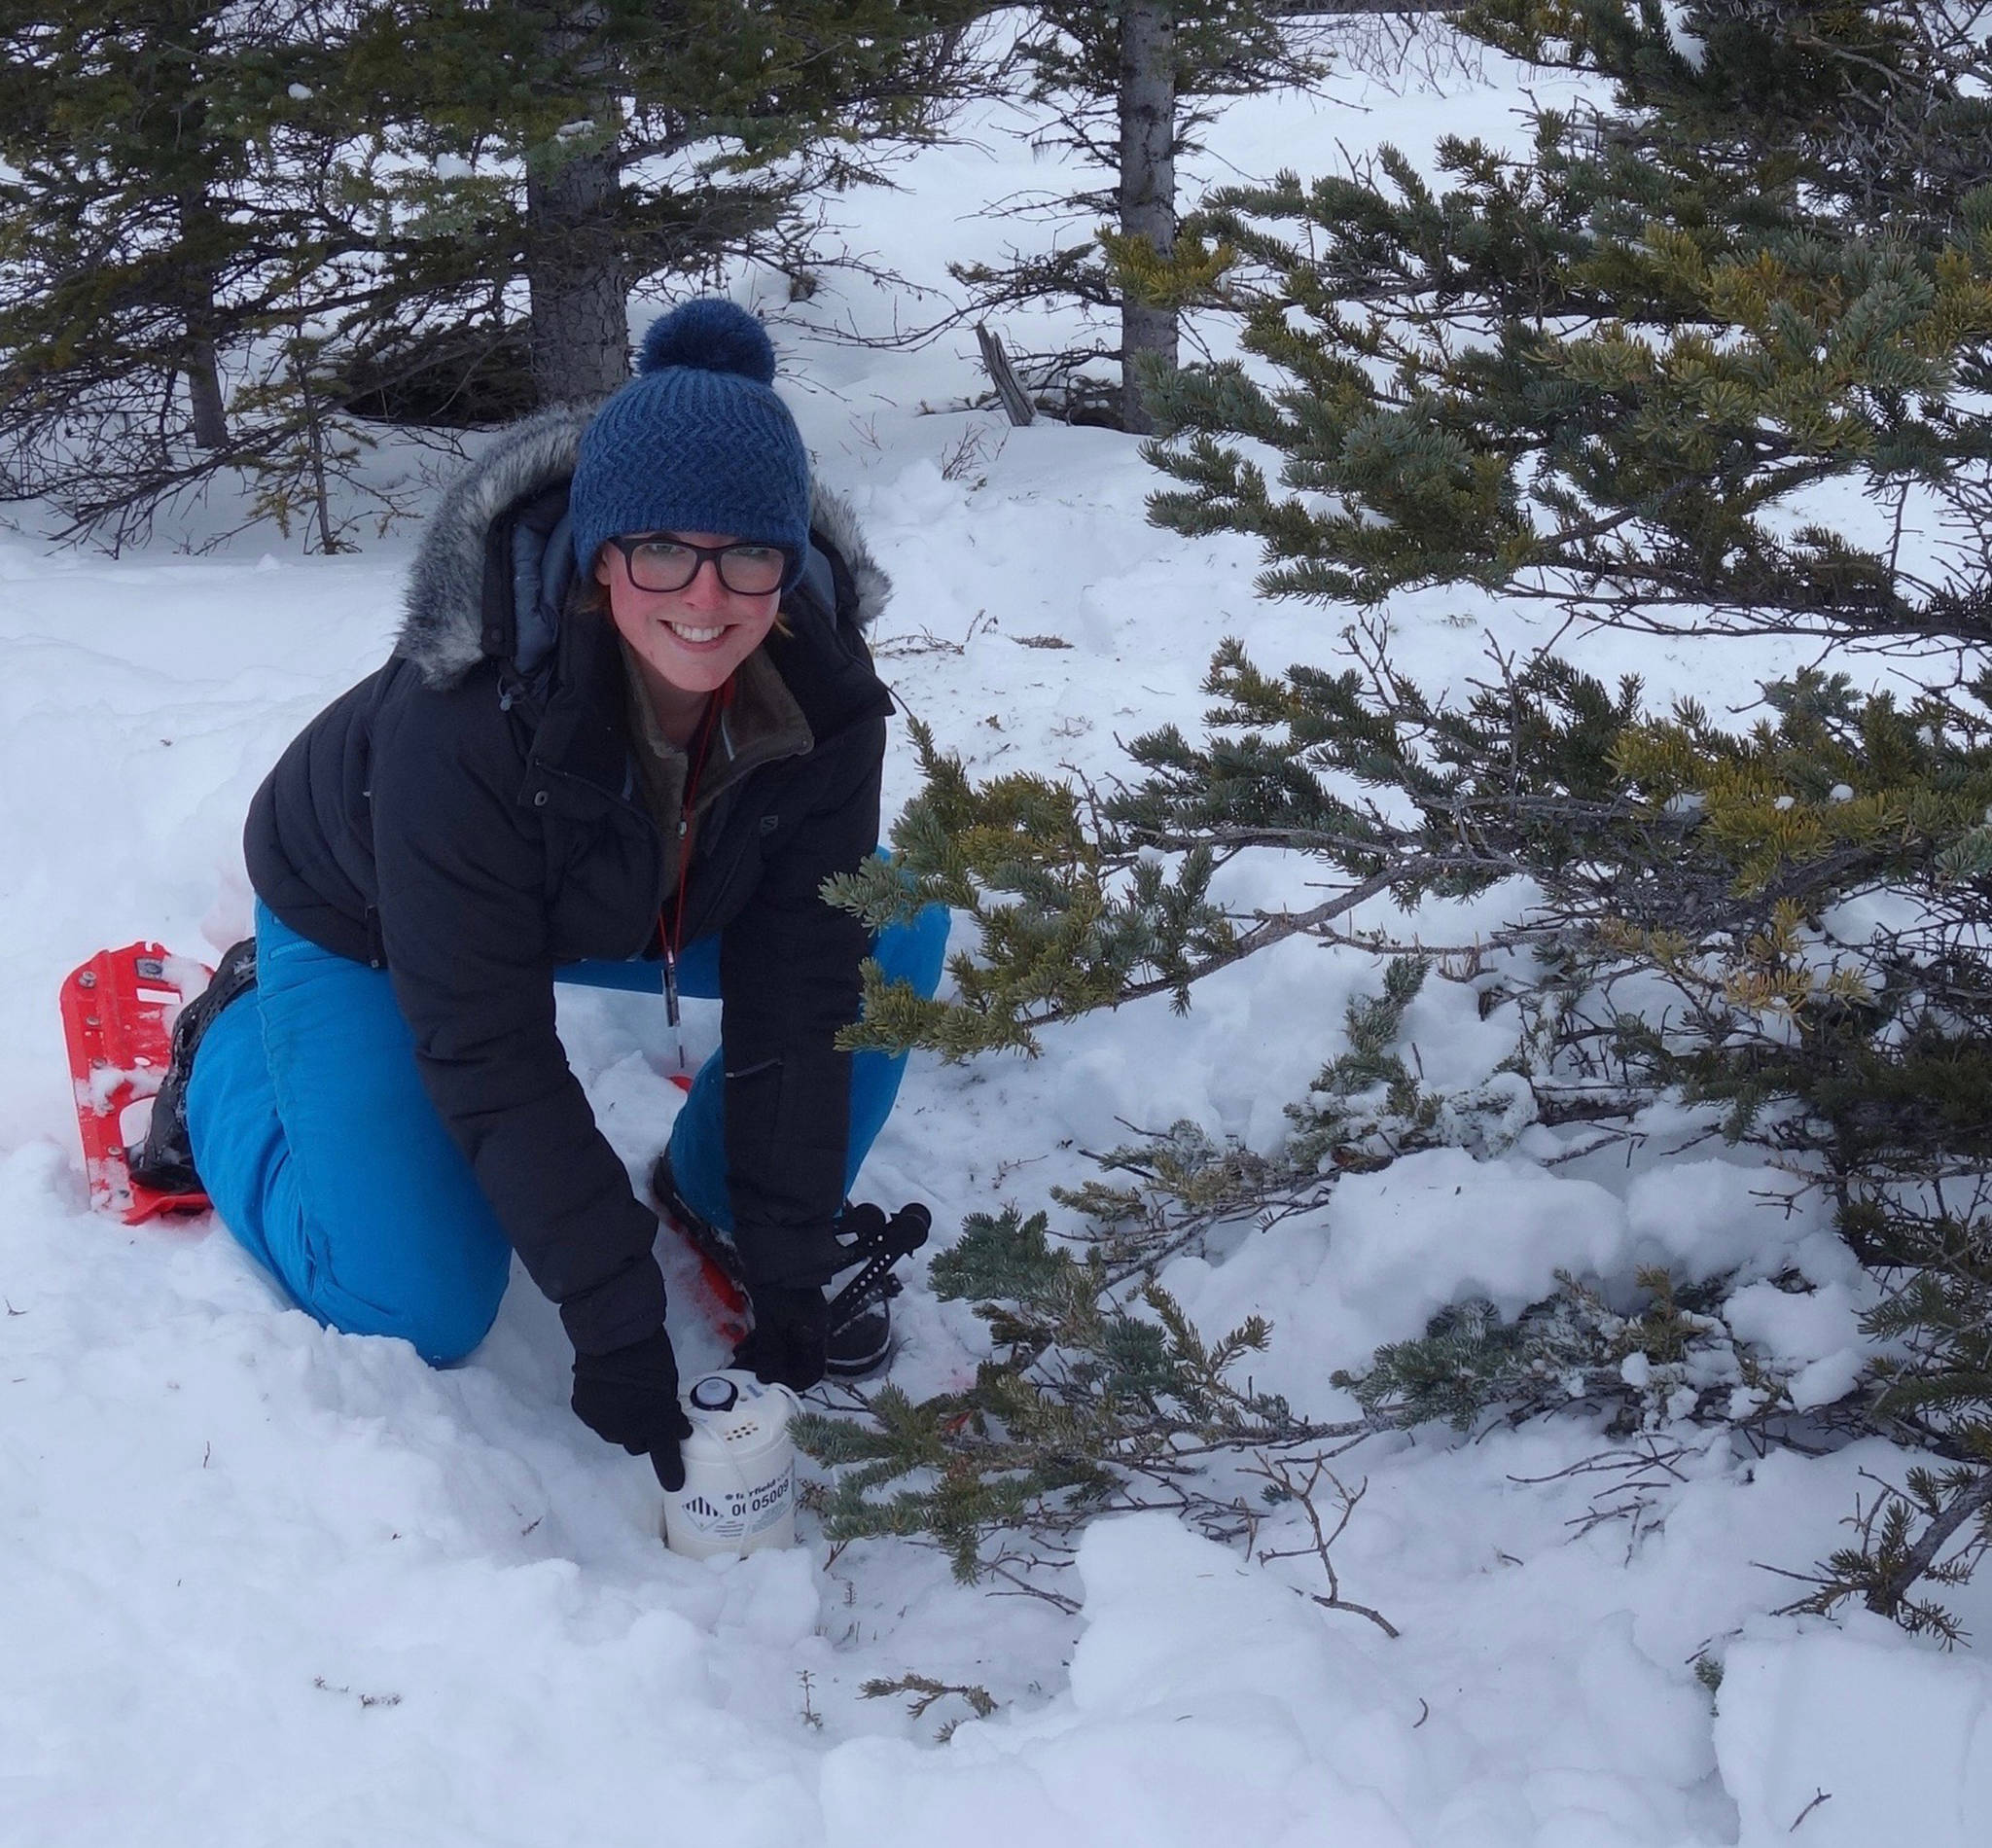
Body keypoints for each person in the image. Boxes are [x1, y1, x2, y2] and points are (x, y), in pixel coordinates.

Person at [132, 299, 949, 1492]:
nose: (706, 597)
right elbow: (485, 1040)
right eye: (663, 550)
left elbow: (807, 976)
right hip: (364, 913)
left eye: (748, 555)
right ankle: (231, 1052)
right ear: (600, 554)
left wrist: (781, 1246)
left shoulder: (823, 688)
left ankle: (714, 1189)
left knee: (886, 917)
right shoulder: (464, 717)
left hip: (619, 895)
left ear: (791, 560)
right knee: (414, 1303)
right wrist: (610, 1299)